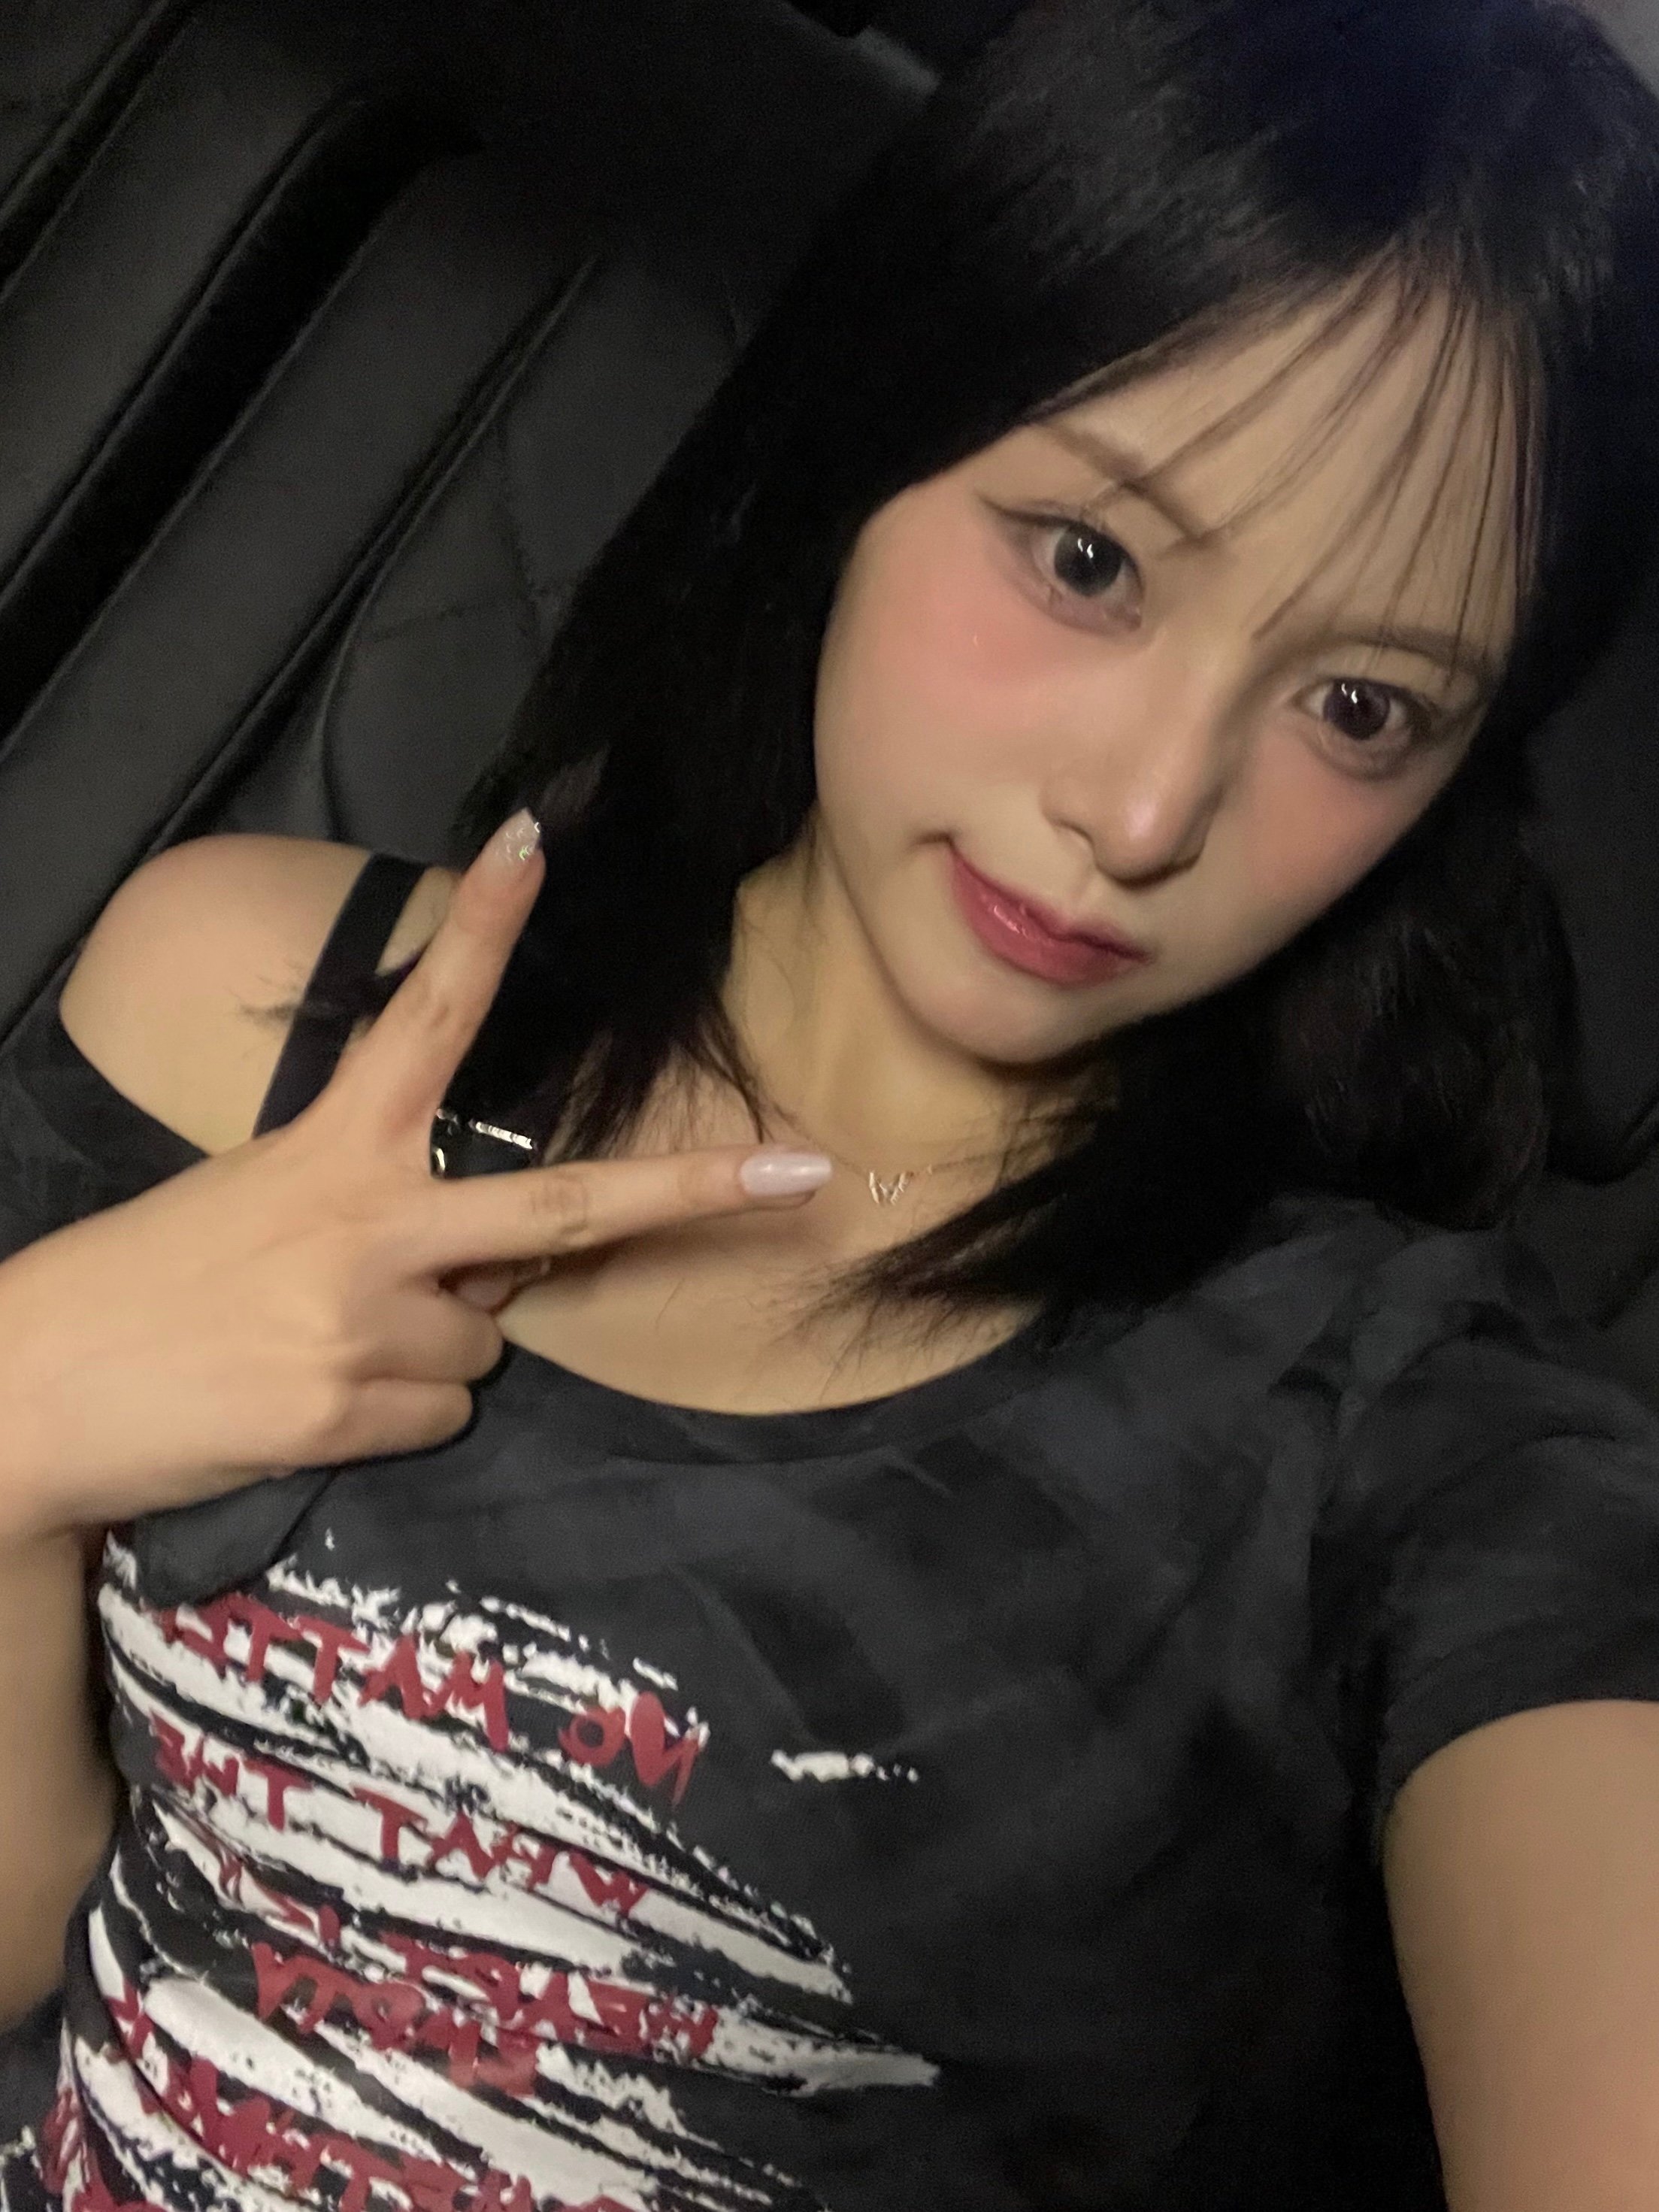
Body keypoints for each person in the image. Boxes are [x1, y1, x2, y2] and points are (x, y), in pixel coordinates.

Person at [2, 0, 1659, 2204]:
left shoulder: (1407, 1448)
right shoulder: (246, 1005)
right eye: (1090, 562)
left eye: (1361, 706)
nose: (1145, 810)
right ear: (874, 427)